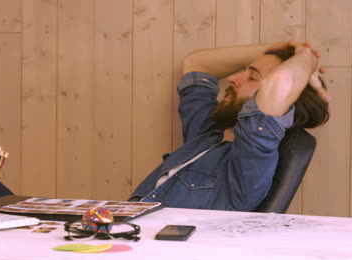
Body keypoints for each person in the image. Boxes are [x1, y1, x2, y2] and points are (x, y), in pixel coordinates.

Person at [129, 42, 330, 211]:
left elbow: (281, 80)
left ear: (283, 101)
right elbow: (197, 64)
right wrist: (280, 47)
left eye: (252, 77)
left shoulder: (252, 159)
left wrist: (307, 57)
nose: (232, 78)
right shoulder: (210, 131)